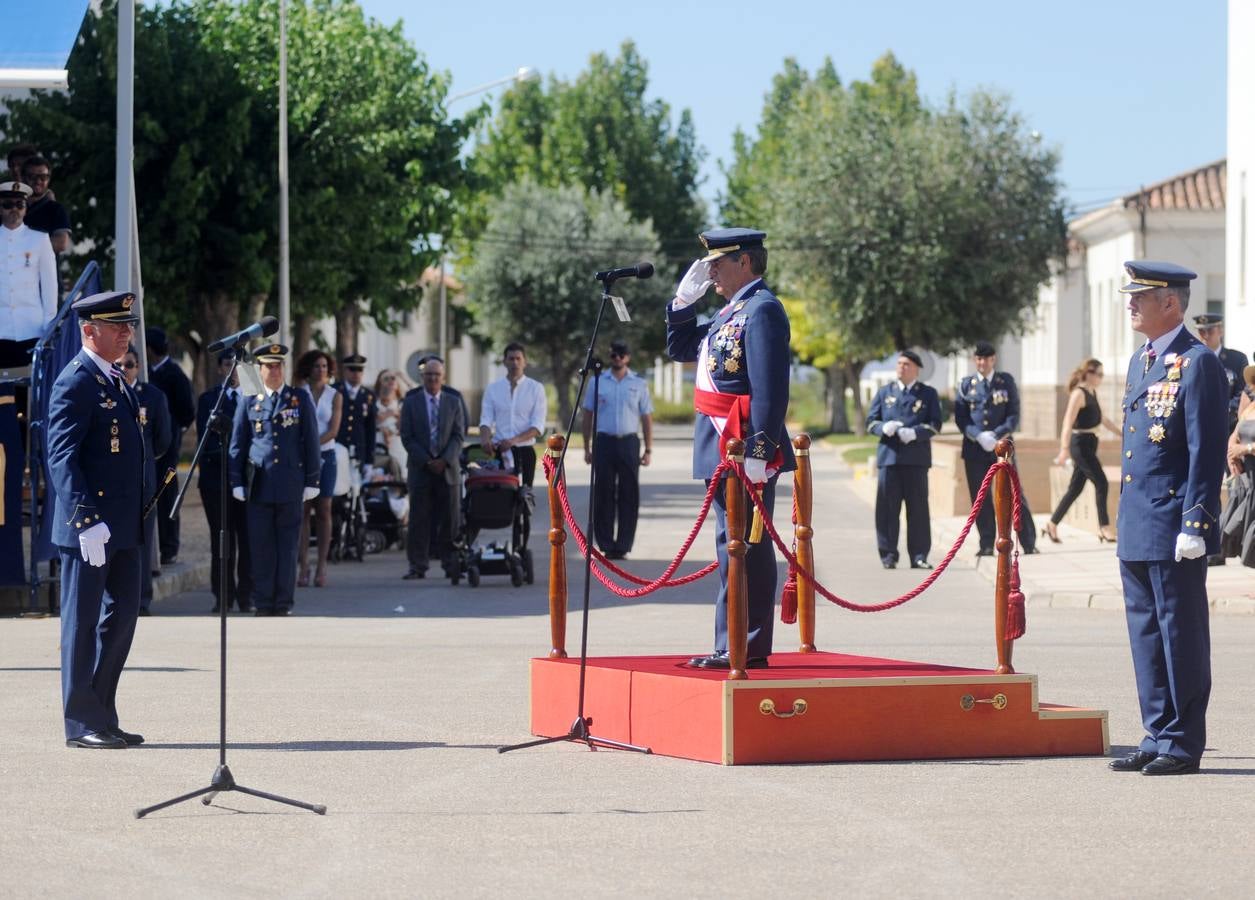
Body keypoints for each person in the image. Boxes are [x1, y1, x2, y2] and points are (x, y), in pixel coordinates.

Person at [1108, 260, 1227, 776]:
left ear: (1171, 304)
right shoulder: (1141, 360)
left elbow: (1205, 451)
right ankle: (1156, 732)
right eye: (1130, 295)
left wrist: (1196, 522)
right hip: (1137, 520)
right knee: (1146, 635)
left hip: (1174, 522)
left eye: (1141, 296)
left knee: (1180, 634)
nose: (1131, 303)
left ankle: (1183, 742)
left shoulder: (1195, 363)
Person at [666, 227, 794, 670]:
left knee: (746, 548)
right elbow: (680, 347)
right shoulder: (730, 312)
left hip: (744, 449)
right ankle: (732, 642)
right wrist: (683, 302)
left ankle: (745, 645)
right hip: (723, 445)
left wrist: (761, 450)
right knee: (730, 547)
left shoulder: (763, 310)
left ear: (745, 261)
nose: (711, 271)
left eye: (718, 262)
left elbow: (770, 389)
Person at [46, 290, 148, 748]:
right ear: (90, 331)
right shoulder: (76, 380)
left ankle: (103, 713)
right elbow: (62, 456)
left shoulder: (115, 379)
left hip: (123, 524)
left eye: (128, 325)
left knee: (123, 616)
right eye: (117, 326)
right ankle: (81, 723)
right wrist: (85, 519)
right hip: (90, 528)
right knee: (82, 622)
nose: (127, 332)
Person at [228, 343, 320, 616]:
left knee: (287, 547)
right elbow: (238, 444)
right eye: (269, 365)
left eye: (279, 365)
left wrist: (312, 481)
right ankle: (263, 601)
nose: (275, 370)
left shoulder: (298, 399)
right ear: (259, 369)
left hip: (290, 485)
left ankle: (283, 602)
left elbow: (311, 442)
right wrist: (236, 481)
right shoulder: (249, 399)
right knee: (260, 547)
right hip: (259, 485)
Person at [954, 341, 1039, 556]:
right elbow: (961, 418)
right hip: (975, 448)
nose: (982, 363)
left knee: (1015, 493)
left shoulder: (1005, 381)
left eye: (987, 359)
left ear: (994, 360)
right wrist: (978, 435)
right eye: (979, 359)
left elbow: (1013, 415)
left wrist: (997, 435)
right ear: (975, 360)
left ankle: (1028, 541)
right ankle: (986, 542)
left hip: (1002, 448)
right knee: (980, 497)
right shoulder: (966, 385)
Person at [866, 350, 943, 569]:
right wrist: (884, 428)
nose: (901, 367)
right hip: (889, 459)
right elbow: (871, 422)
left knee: (918, 510)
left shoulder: (927, 394)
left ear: (917, 368)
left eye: (906, 364)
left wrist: (916, 433)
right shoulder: (885, 392)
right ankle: (888, 555)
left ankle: (919, 555)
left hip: (915, 460)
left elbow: (935, 424)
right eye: (899, 363)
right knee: (888, 511)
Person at [581, 339, 654, 560]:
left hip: (629, 442)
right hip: (604, 441)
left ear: (628, 357)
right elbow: (587, 415)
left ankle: (623, 545)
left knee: (628, 494)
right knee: (603, 493)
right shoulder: (598, 382)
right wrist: (586, 446)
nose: (618, 358)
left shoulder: (638, 384)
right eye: (614, 355)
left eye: (622, 354)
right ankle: (605, 543)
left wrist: (648, 449)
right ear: (609, 356)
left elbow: (646, 417)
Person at [196, 350, 253, 613]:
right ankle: (223, 595)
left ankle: (247, 595)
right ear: (220, 369)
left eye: (239, 365)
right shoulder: (209, 399)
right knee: (222, 539)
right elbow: (204, 441)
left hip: (246, 480)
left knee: (248, 539)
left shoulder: (255, 397)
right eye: (229, 365)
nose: (233, 370)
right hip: (216, 480)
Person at [400, 356, 464, 579]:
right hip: (421, 469)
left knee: (451, 521)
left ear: (443, 377)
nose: (433, 379)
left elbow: (458, 435)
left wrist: (444, 460)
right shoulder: (411, 401)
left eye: (437, 375)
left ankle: (451, 564)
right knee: (419, 520)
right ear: (422, 377)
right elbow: (407, 437)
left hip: (448, 470)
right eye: (428, 375)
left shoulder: (453, 401)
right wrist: (427, 460)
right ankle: (418, 566)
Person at [119, 344, 172, 616]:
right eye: (120, 365)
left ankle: (141, 600)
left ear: (138, 367)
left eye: (129, 365)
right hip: (115, 483)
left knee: (142, 541)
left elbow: (163, 440)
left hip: (143, 481)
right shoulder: (108, 393)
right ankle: (119, 599)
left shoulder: (152, 396)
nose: (124, 370)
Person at [1044, 359, 1121, 543]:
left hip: (1091, 442)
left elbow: (1103, 419)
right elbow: (1067, 423)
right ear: (1089, 373)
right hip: (1080, 444)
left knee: (1075, 488)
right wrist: (1064, 450)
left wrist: (1122, 433)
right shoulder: (1078, 393)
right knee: (1101, 482)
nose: (1101, 378)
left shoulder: (1092, 392)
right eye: (1099, 374)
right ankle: (1104, 527)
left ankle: (1052, 524)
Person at [146, 326, 195, 565]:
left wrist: (173, 431)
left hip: (167, 449)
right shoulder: (145, 373)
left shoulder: (174, 374)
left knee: (166, 495)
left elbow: (187, 412)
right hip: (147, 447)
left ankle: (169, 547)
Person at [295, 349, 343, 588]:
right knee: (303, 510)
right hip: (302, 458)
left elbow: (333, 429)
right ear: (308, 369)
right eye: (316, 366)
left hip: (326, 455)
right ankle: (303, 565)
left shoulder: (335, 395)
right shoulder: (299, 392)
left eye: (324, 366)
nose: (321, 370)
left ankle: (322, 565)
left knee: (324, 509)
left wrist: (313, 446)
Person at [0, 180, 57, 369]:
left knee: (29, 392)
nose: (13, 210)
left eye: (19, 204)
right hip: (1, 328)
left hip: (31, 327)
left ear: (26, 208)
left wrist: (49, 326)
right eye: (7, 205)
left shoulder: (39, 239)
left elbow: (50, 286)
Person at [479, 342, 547, 488]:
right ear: (504, 362)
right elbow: (486, 419)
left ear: (525, 362)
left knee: (525, 497)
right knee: (501, 496)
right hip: (499, 452)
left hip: (524, 451)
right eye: (511, 359)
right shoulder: (493, 389)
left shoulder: (536, 389)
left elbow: (537, 425)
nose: (515, 363)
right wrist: (485, 439)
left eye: (518, 358)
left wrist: (513, 441)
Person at [1220, 365, 1255, 568]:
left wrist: (1245, 449)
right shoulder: (1250, 406)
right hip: (1247, 485)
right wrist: (1231, 453)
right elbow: (1235, 434)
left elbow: (1243, 445)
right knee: (1235, 534)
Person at [1193, 313, 1248, 433]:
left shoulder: (1237, 359)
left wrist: (1221, 411)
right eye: (1202, 332)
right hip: (1199, 427)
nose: (1206, 336)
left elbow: (1242, 392)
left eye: (1210, 331)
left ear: (1221, 331)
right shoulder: (1191, 361)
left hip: (1228, 427)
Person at [335, 352, 377, 477]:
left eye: (359, 370)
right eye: (352, 369)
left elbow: (371, 429)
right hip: (337, 447)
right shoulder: (334, 391)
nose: (356, 373)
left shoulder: (368, 395)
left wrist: (369, 460)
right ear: (345, 371)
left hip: (359, 451)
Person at [20, 155, 71, 254]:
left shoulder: (56, 209)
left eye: (43, 177)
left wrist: (20, 249)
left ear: (49, 179)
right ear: (22, 178)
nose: (38, 181)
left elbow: (61, 243)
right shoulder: (9, 206)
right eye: (32, 177)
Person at [373, 368, 409, 474]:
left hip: (397, 447)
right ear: (379, 383)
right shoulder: (373, 403)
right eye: (386, 378)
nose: (390, 381)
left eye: (393, 378)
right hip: (378, 447)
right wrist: (390, 414)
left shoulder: (402, 404)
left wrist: (403, 377)